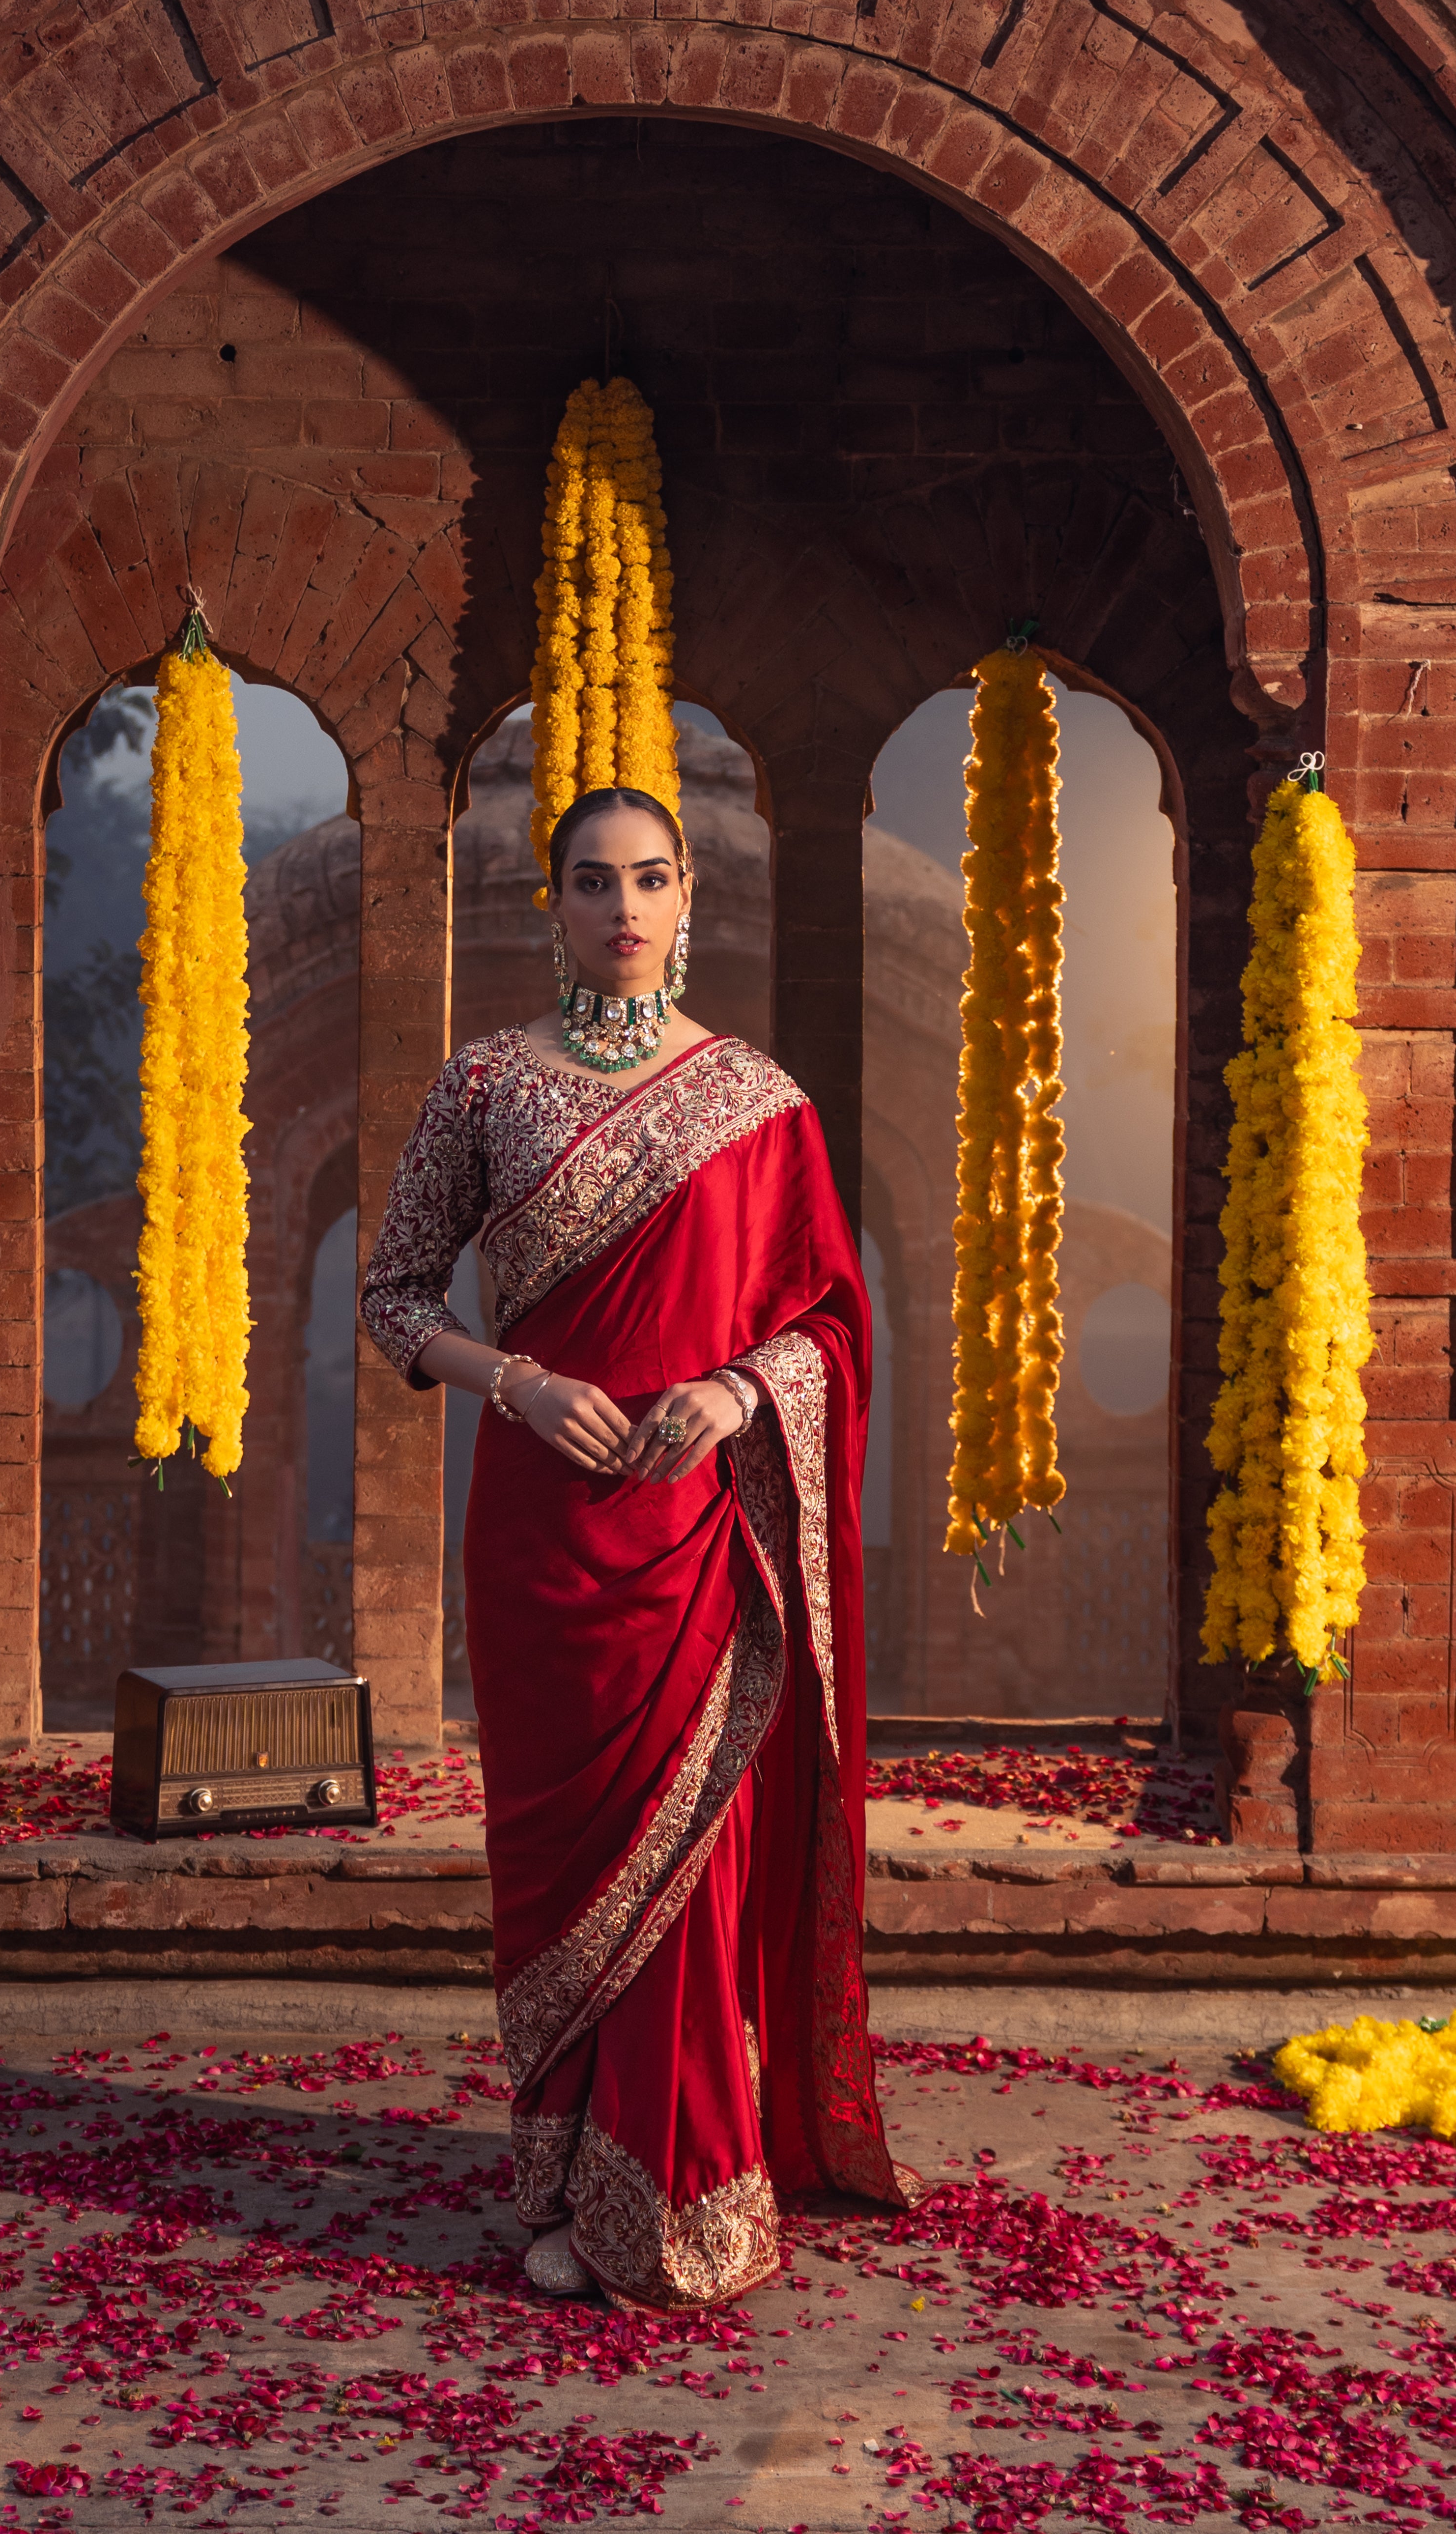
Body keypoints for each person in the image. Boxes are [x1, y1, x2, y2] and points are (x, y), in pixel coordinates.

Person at [360, 782, 918, 2310]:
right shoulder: (484, 1087)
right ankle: (565, 2171)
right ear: (553, 904)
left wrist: (734, 1394)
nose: (623, 908)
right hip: (541, 1532)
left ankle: (679, 2188)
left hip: (695, 1533)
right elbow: (395, 1295)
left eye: (651, 879)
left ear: (689, 902)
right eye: (594, 881)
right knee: (561, 1865)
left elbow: (829, 1322)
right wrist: (518, 1385)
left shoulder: (757, 1102)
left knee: (689, 1855)